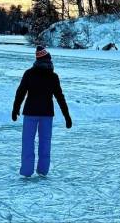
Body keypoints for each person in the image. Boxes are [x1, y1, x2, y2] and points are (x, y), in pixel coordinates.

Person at [12, 46, 72, 177]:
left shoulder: (29, 73)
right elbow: (60, 97)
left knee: (28, 142)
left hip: (30, 113)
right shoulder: (53, 76)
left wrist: (15, 108)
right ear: (47, 59)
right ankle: (43, 170)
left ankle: (27, 171)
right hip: (46, 114)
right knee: (45, 142)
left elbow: (20, 92)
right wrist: (67, 116)